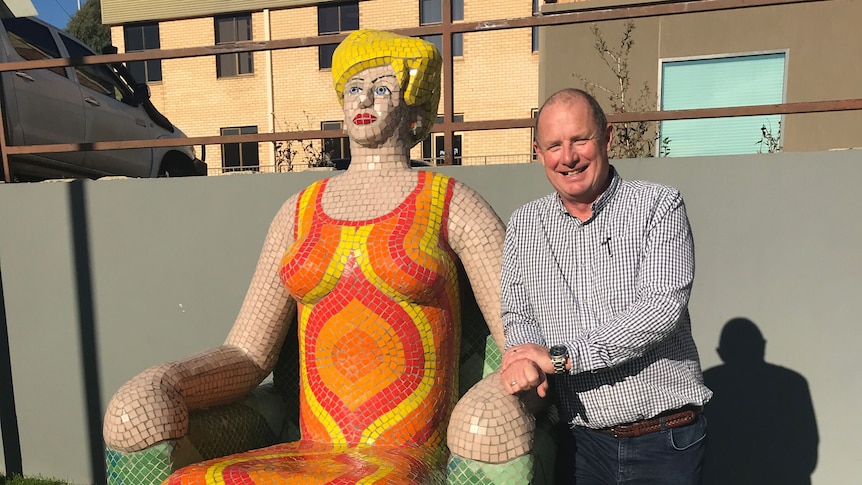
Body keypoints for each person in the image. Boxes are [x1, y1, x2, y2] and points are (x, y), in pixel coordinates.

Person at [103, 30, 508, 483]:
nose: (364, 99)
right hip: (310, 448)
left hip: (408, 451)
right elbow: (248, 351)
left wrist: (491, 404)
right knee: (153, 438)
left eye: (382, 88)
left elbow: (518, 334)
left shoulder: (450, 203)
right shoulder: (298, 212)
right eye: (354, 88)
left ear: (414, 110)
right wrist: (165, 382)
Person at [499, 88, 713, 484]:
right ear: (538, 152)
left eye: (580, 139)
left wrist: (560, 358)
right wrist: (527, 360)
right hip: (581, 443)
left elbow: (660, 309)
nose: (568, 157)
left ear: (607, 138)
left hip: (664, 439)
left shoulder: (658, 206)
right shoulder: (525, 224)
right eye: (553, 145)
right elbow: (518, 312)